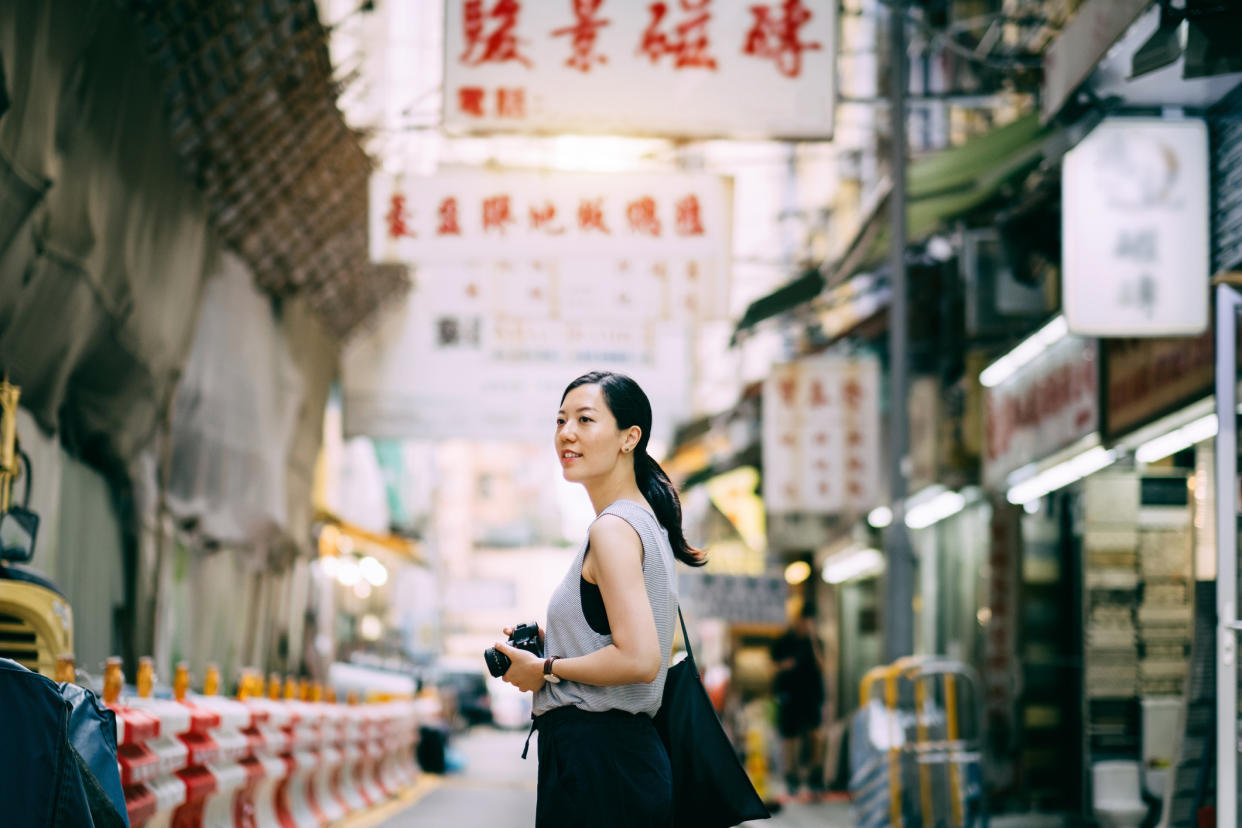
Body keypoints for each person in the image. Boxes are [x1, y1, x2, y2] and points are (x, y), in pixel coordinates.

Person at [491, 370, 706, 828]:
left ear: (630, 438)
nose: (566, 433)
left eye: (585, 420)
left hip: (600, 764)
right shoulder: (644, 523)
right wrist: (556, 643)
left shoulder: (612, 530)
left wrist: (545, 669)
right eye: (561, 420)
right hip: (617, 762)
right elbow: (625, 639)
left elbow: (640, 658)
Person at [770, 609, 827, 802]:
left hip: (811, 695)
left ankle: (815, 776)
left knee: (814, 734)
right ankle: (791, 775)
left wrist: (812, 642)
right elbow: (771, 663)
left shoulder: (815, 642)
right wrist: (784, 666)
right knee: (790, 737)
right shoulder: (785, 640)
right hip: (790, 694)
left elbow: (823, 666)